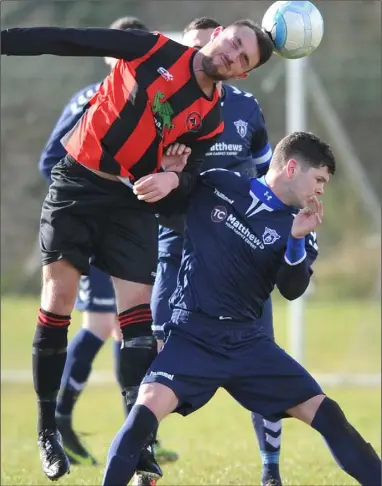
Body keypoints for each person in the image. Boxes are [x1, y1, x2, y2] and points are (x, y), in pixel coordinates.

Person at [1, 20, 274, 481]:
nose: (233, 55)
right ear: (219, 33)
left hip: (129, 203)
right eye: (235, 43)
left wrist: (173, 178)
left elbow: (193, 187)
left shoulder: (210, 119)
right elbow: (75, 39)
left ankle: (139, 441)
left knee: (138, 321)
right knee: (58, 301)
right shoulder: (154, 50)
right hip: (78, 183)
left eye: (243, 59)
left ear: (243, 74)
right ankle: (48, 429)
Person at [102, 131, 381, 486]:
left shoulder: (301, 229)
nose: (321, 189)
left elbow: (292, 289)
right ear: (292, 167)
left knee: (326, 413)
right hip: (193, 337)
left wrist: (295, 241)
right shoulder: (219, 184)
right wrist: (168, 174)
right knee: (144, 411)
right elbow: (165, 209)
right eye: (319, 179)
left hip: (248, 343)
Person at [38, 15, 178, 468]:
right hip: (84, 217)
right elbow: (52, 159)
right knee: (97, 324)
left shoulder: (162, 103)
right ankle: (58, 417)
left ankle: (132, 432)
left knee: (125, 327)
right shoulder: (88, 99)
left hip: (126, 222)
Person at [151, 17, 284, 486]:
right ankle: (143, 457)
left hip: (241, 256)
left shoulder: (247, 109)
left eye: (243, 56)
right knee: (156, 351)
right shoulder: (169, 105)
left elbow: (268, 177)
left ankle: (271, 469)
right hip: (180, 244)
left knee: (263, 358)